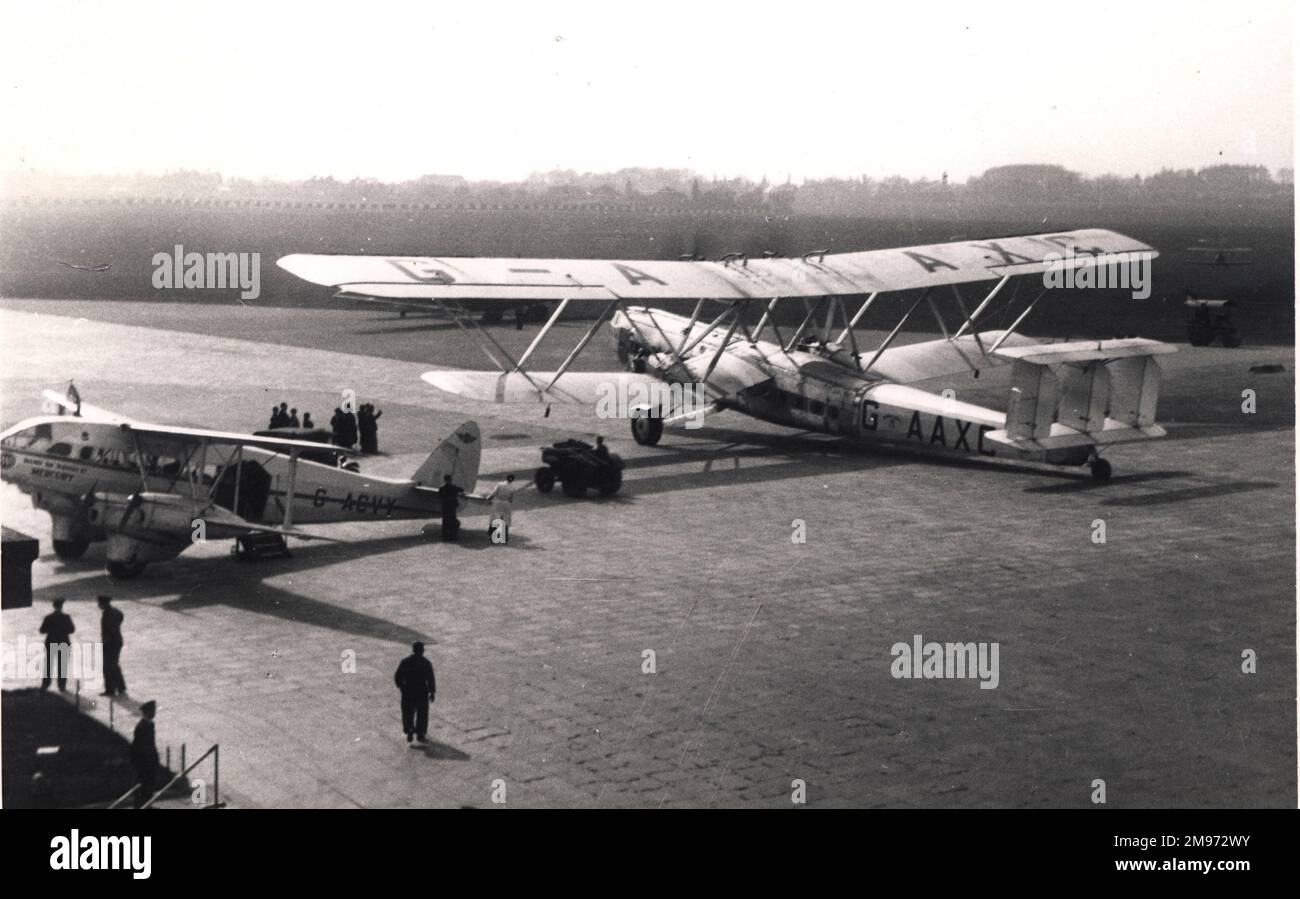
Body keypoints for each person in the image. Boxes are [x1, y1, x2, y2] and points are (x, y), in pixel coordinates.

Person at [393, 642, 437, 744]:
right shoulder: (426, 663)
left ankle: (409, 729)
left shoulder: (405, 662)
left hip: (408, 691)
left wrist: (402, 687)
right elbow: (431, 679)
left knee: (408, 713)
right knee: (422, 713)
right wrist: (432, 692)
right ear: (422, 651)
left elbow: (397, 676)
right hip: (421, 691)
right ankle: (420, 733)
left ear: (413, 650)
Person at [39, 598, 75, 691]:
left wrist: (51, 629)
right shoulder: (66, 617)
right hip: (63, 643)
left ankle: (45, 685)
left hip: (51, 642)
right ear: (62, 606)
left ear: (54, 606)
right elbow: (72, 629)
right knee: (62, 666)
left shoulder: (48, 617)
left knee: (48, 665)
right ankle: (62, 686)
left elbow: (42, 630)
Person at [131, 700, 159, 807]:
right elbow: (138, 746)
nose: (154, 712)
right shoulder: (142, 727)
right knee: (143, 786)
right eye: (152, 710)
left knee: (149, 786)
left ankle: (147, 805)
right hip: (144, 762)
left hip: (149, 760)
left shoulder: (150, 724)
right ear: (146, 712)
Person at [99, 595, 126, 697]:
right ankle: (121, 687)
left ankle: (110, 690)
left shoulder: (107, 614)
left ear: (103, 604)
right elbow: (121, 616)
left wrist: (106, 639)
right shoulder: (115, 611)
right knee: (114, 664)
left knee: (108, 666)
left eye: (100, 604)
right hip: (117, 641)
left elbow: (109, 629)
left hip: (110, 643)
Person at [486, 474, 525, 544]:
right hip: (506, 504)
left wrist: (487, 498)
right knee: (505, 520)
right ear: (512, 480)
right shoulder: (512, 488)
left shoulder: (499, 484)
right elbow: (511, 499)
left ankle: (493, 536)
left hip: (498, 503)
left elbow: (493, 493)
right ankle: (505, 538)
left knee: (495, 519)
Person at [437, 475, 464, 541]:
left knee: (445, 522)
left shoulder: (441, 488)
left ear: (444, 480)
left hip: (445, 507)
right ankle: (453, 536)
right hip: (452, 507)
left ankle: (445, 537)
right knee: (452, 521)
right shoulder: (454, 487)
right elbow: (462, 490)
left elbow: (440, 496)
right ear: (450, 480)